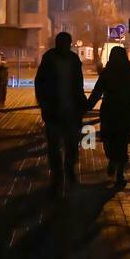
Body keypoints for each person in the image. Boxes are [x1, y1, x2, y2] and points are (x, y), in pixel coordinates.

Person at [85, 45, 130, 186]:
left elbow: (97, 91)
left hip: (110, 111)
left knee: (110, 139)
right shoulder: (129, 72)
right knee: (122, 142)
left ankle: (114, 163)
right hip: (124, 111)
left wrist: (87, 106)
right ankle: (118, 169)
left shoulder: (108, 72)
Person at [34, 32, 86, 190]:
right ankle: (57, 174)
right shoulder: (49, 59)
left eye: (67, 43)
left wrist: (80, 103)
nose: (65, 46)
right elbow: (40, 82)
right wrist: (44, 103)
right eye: (62, 43)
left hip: (71, 110)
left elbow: (79, 84)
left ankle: (69, 170)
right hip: (54, 111)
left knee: (71, 144)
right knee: (54, 145)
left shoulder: (74, 60)